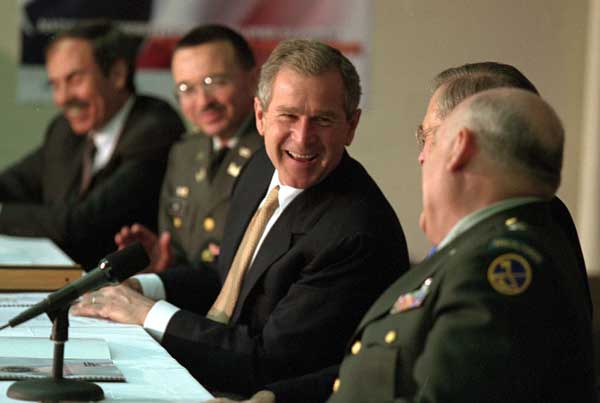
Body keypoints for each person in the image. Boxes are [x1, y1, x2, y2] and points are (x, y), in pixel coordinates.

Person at [72, 39, 410, 395]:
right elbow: (230, 278)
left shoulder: (355, 232)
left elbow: (267, 362)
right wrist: (142, 287)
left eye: (322, 119)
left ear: (351, 126)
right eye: (288, 116)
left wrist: (146, 312)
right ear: (261, 117)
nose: (303, 137)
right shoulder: (260, 167)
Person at [0, 21, 184, 269]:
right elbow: (15, 183)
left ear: (117, 74)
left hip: (125, 289)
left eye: (74, 79)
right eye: (55, 84)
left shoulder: (155, 129)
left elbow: (81, 225)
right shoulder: (65, 130)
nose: (63, 98)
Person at [115, 24, 263, 271]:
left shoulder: (272, 152)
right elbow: (179, 248)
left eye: (214, 82)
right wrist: (164, 261)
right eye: (187, 89)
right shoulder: (184, 153)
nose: (203, 102)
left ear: (253, 80)